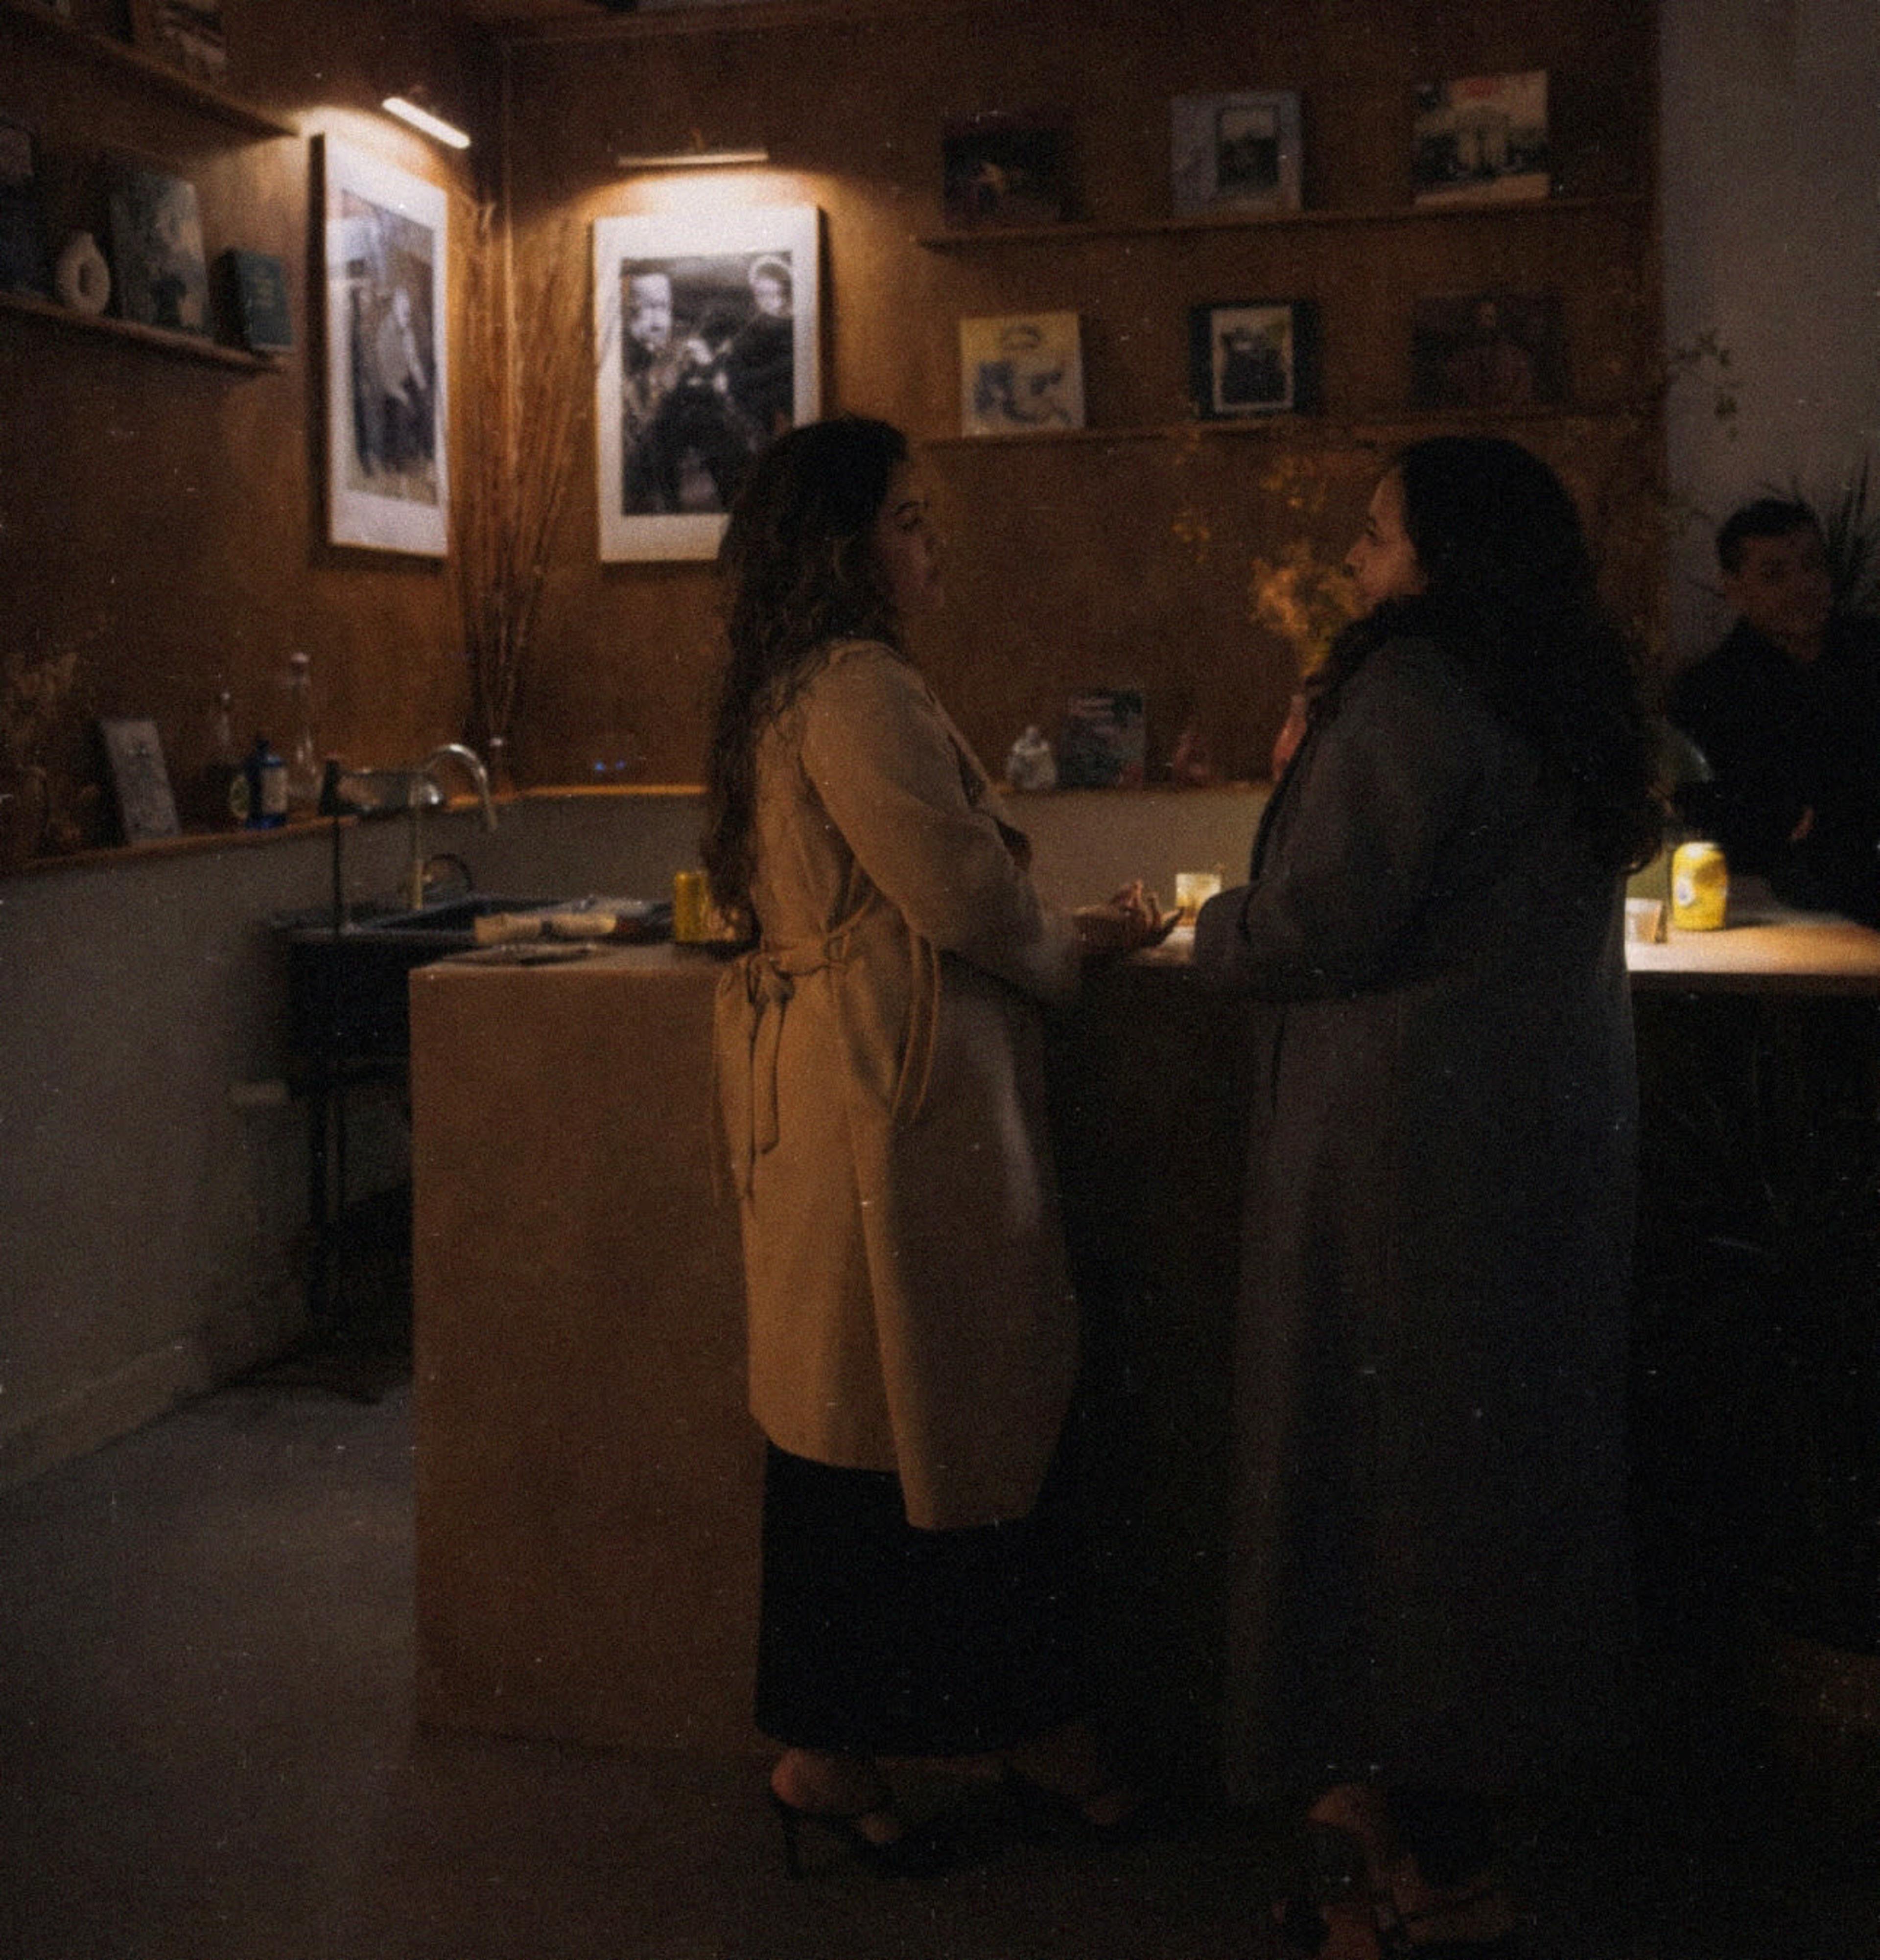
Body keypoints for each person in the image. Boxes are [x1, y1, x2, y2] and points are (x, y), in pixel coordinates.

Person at [1192, 436, 1662, 1955]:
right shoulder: (1562, 691)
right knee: (1477, 1493)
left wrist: (1210, 929)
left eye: (1379, 536)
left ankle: (1424, 1871)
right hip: (1530, 1145)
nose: (1355, 560)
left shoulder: (1408, 692)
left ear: (1443, 560)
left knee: (1377, 1495)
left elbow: (1313, 924)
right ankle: (1401, 1837)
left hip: (1398, 1158)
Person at [704, 415, 1164, 1875]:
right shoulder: (853, 688)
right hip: (887, 1106)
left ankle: (839, 1747)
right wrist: (1074, 946)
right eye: (906, 516)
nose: (930, 543)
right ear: (841, 542)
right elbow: (959, 891)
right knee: (938, 1418)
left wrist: (1049, 928)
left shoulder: (793, 685)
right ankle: (1011, 1729)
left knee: (865, 1424)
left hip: (852, 1095)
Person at [1668, 497, 1880, 925]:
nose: (1803, 585)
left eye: (1812, 565)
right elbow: (1713, 814)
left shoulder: (1870, 653)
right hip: (1778, 905)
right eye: (1775, 575)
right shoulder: (1710, 692)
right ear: (1733, 587)